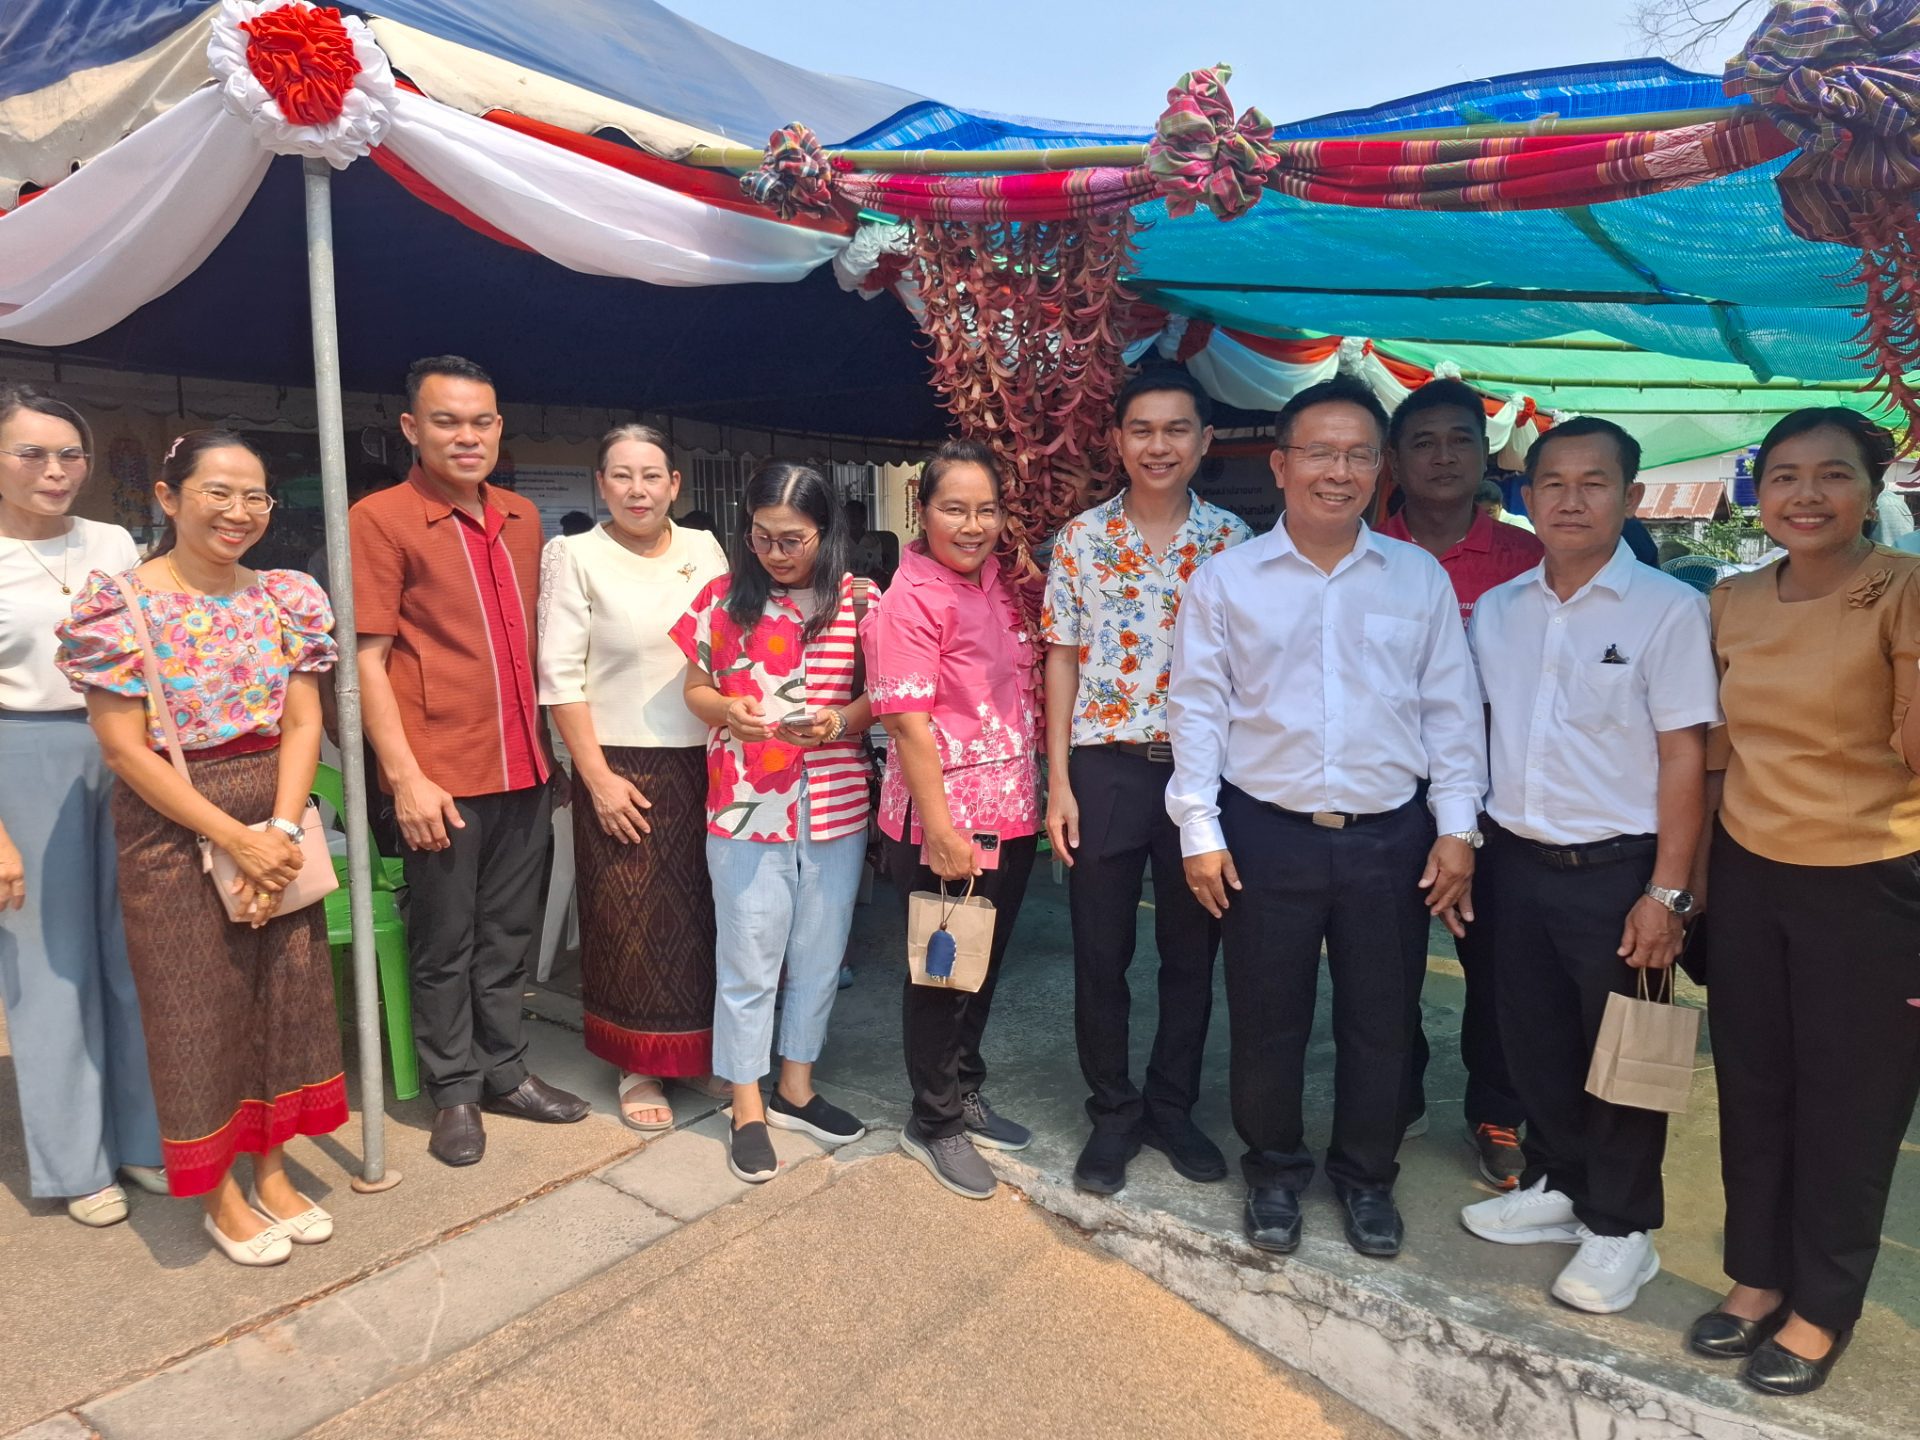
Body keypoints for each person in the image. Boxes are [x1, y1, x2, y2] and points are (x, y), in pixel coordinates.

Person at [1167, 376, 1485, 1259]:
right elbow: (1197, 710)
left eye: (1357, 455)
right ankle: (1273, 1172)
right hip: (1265, 831)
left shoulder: (1416, 578)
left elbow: (1450, 711)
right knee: (1268, 1017)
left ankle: (1366, 1178)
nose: (1337, 472)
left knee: (1382, 1021)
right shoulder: (1227, 581)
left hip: (1391, 837)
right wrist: (1200, 830)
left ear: (1380, 470)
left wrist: (1457, 828)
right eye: (1319, 453)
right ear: (1281, 465)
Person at [57, 430, 344, 1266]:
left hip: (276, 810)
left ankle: (274, 1170)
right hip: (171, 823)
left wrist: (280, 833)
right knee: (196, 1007)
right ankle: (218, 1192)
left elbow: (303, 723)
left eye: (255, 496)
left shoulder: (287, 597)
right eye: (217, 491)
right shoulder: (117, 606)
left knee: (285, 998)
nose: (239, 512)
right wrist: (234, 839)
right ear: (168, 497)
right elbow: (123, 750)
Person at [1458, 416, 1719, 1315]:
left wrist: (1669, 893)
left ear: (1630, 497)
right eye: (1553, 483)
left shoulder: (1668, 610)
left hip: (1621, 871)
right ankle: (1563, 1185)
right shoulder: (1501, 610)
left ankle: (1623, 1228)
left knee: (1628, 1058)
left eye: (1594, 483)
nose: (1571, 501)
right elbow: (1474, 730)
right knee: (1534, 1043)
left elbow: (1685, 755)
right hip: (1515, 862)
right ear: (1526, 496)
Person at [1685, 409, 1920, 1397]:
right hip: (1750, 873)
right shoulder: (1732, 600)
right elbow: (1715, 755)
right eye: (1784, 476)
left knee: (1851, 1107)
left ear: (1872, 488)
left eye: (1833, 474)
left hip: (1874, 882)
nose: (1806, 495)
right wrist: (1693, 884)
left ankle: (1823, 1306)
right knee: (1753, 1086)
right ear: (1759, 490)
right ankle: (1758, 1276)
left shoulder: (1904, 590)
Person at [351, 356, 588, 1169]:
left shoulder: (521, 519)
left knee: (508, 936)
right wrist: (405, 779)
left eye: (481, 421)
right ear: (411, 428)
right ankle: (453, 1088)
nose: (466, 437)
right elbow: (367, 661)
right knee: (445, 941)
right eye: (446, 421)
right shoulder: (381, 519)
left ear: (498, 428)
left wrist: (554, 756)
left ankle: (506, 1071)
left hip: (525, 767)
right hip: (440, 776)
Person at [1042, 371, 1250, 1196]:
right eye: (1141, 429)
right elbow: (1061, 658)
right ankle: (1113, 1110)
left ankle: (1171, 1106)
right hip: (1107, 768)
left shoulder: (1233, 542)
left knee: (1191, 954)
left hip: (1203, 778)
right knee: (1101, 952)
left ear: (1205, 441)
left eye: (1176, 429)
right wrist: (1059, 782)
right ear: (1117, 441)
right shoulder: (1081, 539)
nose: (1158, 445)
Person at [670, 461, 873, 1182]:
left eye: (793, 539)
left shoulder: (860, 601)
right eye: (762, 537)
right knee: (748, 961)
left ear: (826, 532)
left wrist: (839, 721)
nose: (776, 553)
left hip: (835, 802)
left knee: (820, 956)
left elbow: (884, 695)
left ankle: (797, 1087)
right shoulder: (721, 598)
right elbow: (695, 688)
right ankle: (747, 1105)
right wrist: (728, 710)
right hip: (743, 804)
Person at [0, 387, 166, 1228]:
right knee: (49, 968)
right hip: (23, 757)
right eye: (32, 453)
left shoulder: (112, 542)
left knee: (133, 951)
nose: (56, 470)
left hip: (126, 749)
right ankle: (75, 1161)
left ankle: (140, 1136)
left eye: (71, 454)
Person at [864, 439, 1043, 1201]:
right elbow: (907, 724)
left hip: (1012, 814)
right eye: (955, 509)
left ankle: (964, 1087)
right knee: (940, 975)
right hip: (946, 824)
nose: (973, 526)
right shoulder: (909, 599)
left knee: (982, 966)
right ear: (923, 510)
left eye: (987, 510)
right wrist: (939, 830)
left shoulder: (1002, 585)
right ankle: (933, 1121)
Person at [538, 426, 729, 1130]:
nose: (638, 491)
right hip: (618, 763)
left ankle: (698, 1049)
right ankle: (639, 1063)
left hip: (707, 758)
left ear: (675, 484)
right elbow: (559, 678)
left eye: (652, 476)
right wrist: (595, 778)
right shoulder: (574, 555)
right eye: (622, 476)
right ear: (601, 483)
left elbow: (727, 647)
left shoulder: (704, 548)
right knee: (631, 917)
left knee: (705, 913)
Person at [1379, 380, 1543, 1190]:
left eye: (1460, 440)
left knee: (1500, 966)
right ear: (1394, 459)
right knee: (1385, 960)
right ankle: (1395, 1086)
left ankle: (1497, 1111)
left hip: (1501, 802)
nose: (1443, 457)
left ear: (1486, 453)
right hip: (1391, 795)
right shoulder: (1364, 551)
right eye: (1424, 441)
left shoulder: (1529, 559)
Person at [846, 499, 899, 588]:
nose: (852, 519)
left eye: (855, 515)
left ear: (863, 518)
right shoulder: (838, 542)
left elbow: (877, 569)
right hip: (845, 586)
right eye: (849, 516)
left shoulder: (874, 541)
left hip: (869, 586)